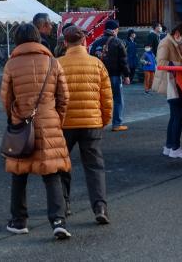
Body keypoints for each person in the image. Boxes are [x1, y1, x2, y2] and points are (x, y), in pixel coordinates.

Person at [1, 23, 71, 240]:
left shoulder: (11, 64)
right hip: (49, 122)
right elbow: (64, 97)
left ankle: (19, 221)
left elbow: (6, 98)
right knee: (51, 174)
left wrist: (14, 117)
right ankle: (58, 221)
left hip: (22, 124)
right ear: (38, 38)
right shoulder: (52, 62)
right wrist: (57, 118)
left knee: (19, 173)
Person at [57, 26, 112, 225]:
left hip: (64, 123)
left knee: (62, 164)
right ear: (84, 42)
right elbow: (106, 98)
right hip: (92, 122)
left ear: (65, 43)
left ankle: (64, 204)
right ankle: (100, 207)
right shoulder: (97, 64)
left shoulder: (57, 64)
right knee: (95, 166)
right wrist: (103, 120)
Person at [152, 23, 182, 159]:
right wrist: (181, 65)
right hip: (171, 83)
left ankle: (169, 146)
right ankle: (175, 147)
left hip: (173, 81)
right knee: (178, 116)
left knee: (174, 116)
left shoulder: (173, 42)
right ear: (178, 34)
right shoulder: (167, 43)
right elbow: (161, 62)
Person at [99, 19, 131, 132]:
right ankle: (117, 124)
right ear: (114, 29)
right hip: (115, 75)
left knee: (100, 100)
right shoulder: (117, 42)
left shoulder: (97, 42)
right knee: (117, 99)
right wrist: (126, 75)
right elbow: (123, 60)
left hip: (99, 76)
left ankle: (98, 123)